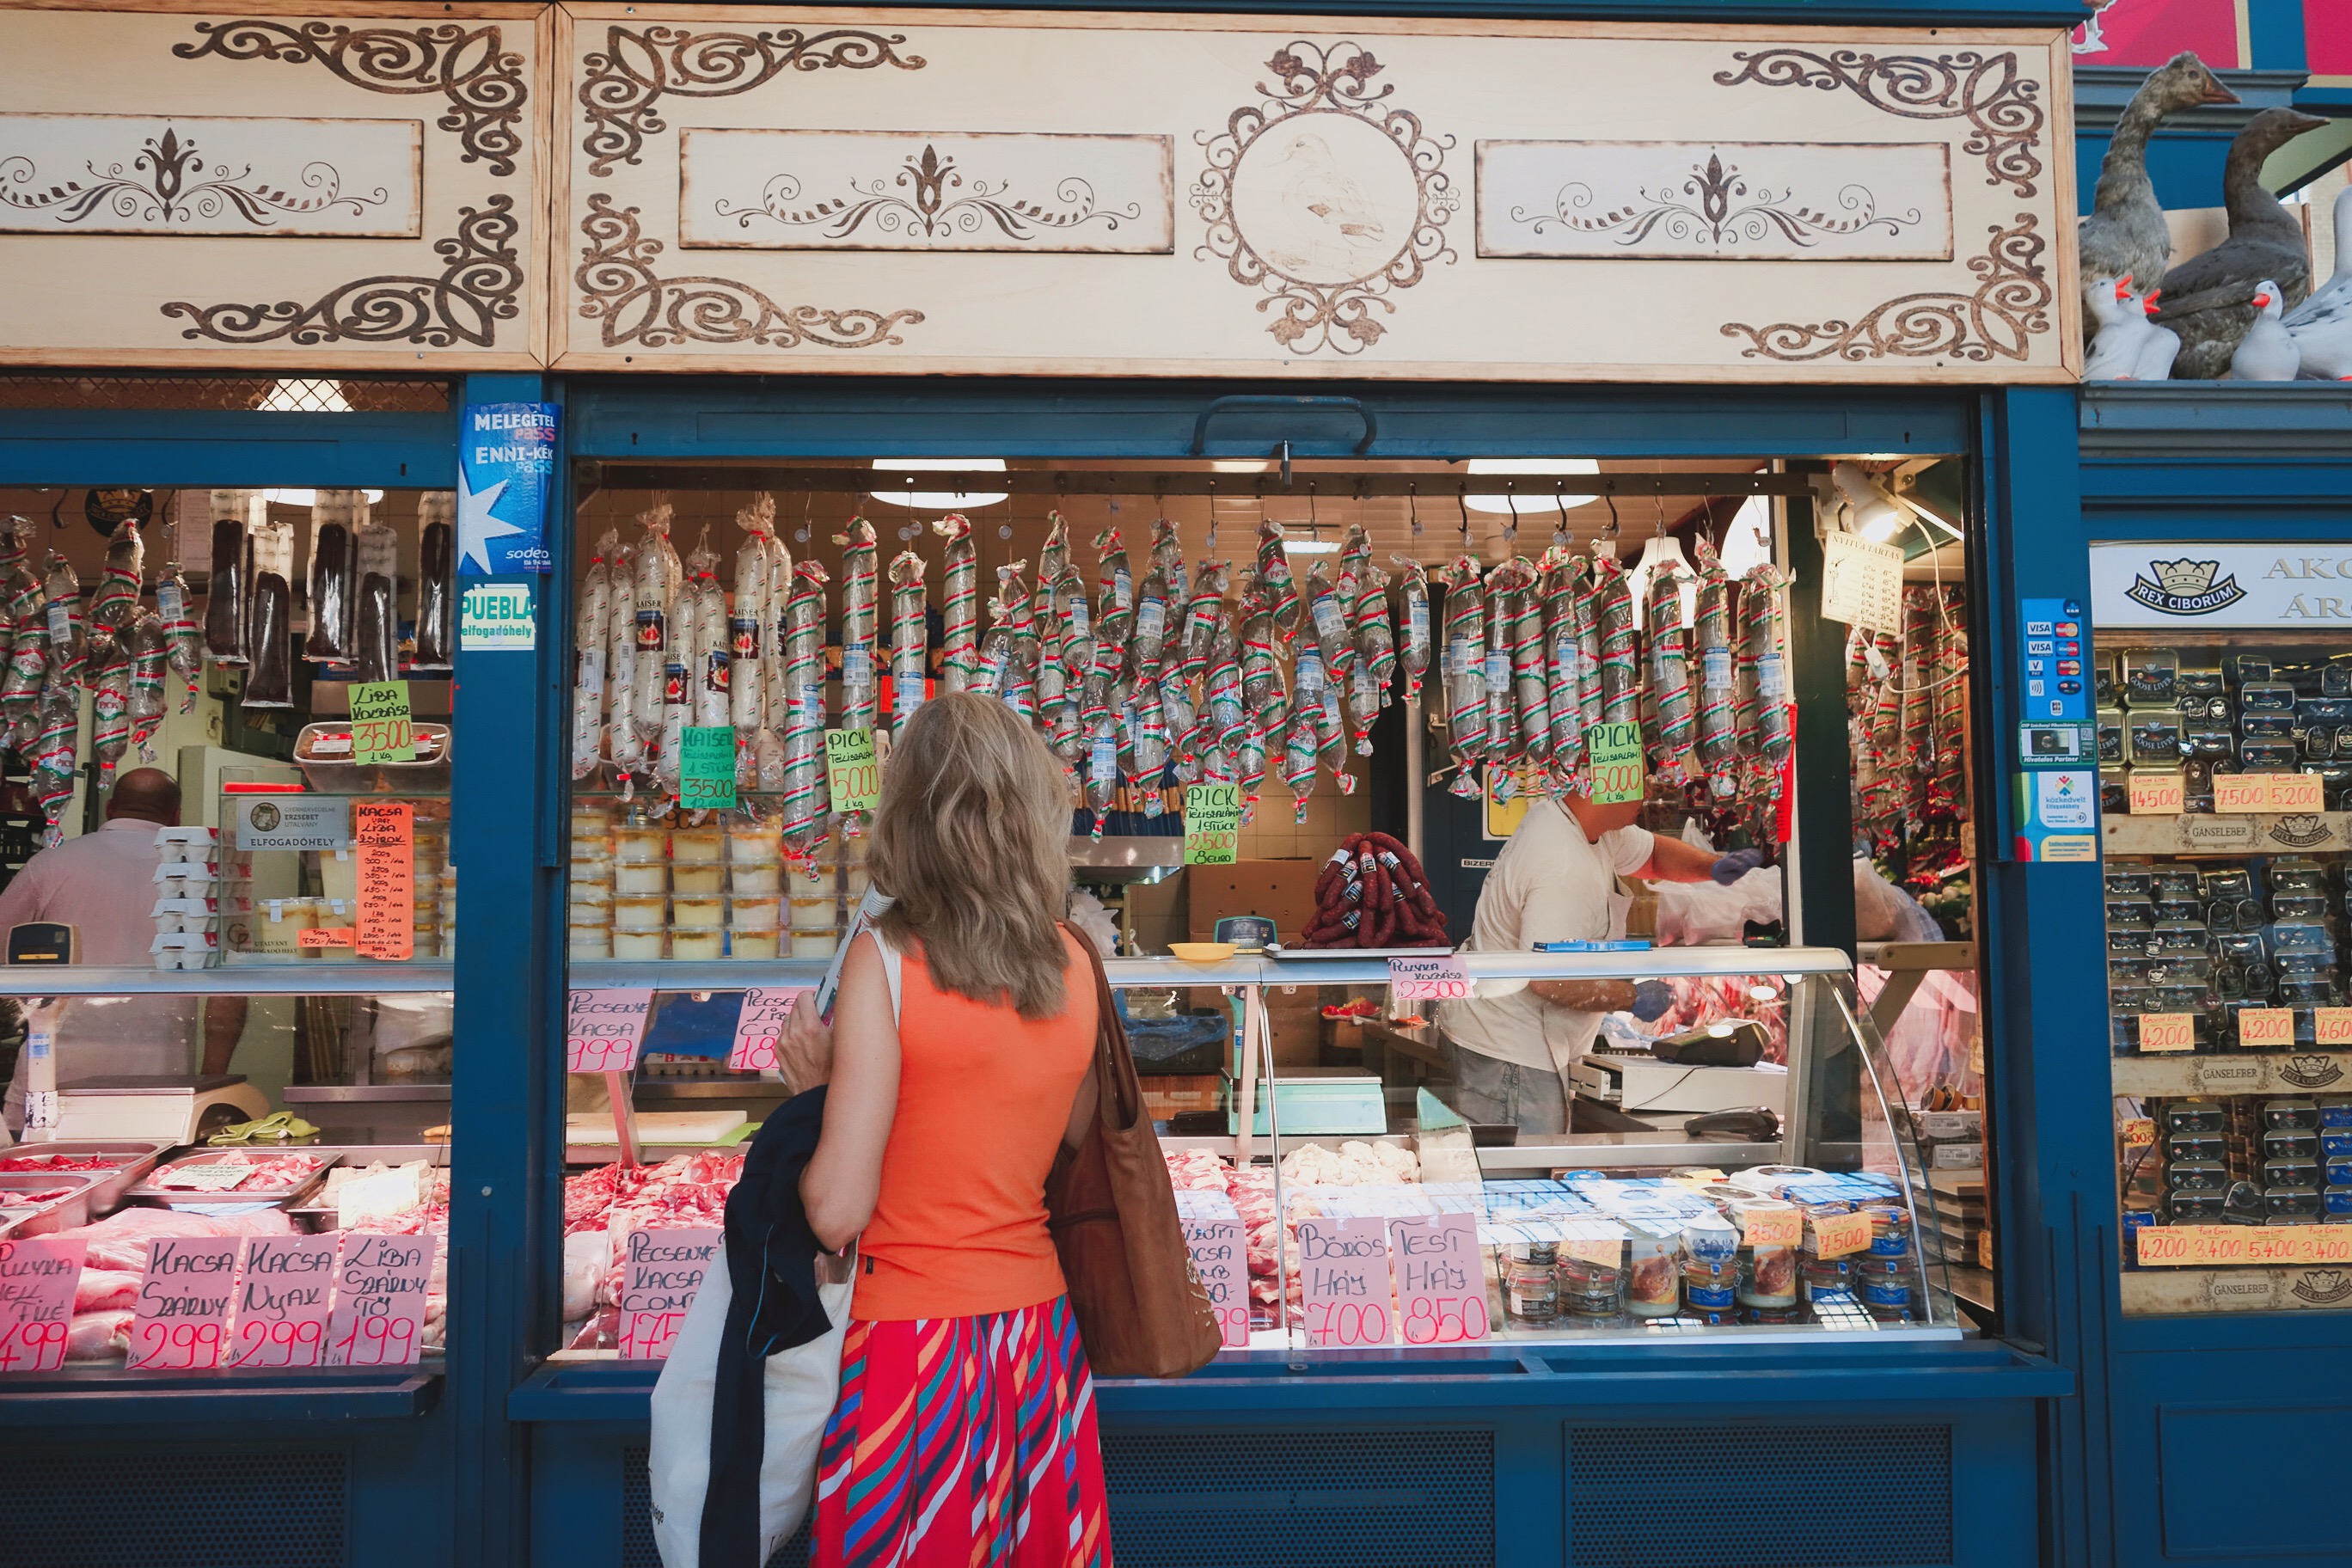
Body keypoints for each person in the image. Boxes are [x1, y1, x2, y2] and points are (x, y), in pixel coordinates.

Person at [775, 693, 1111, 1568]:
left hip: (908, 1354)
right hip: (1038, 1341)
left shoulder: (881, 957)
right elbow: (1070, 1140)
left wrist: (813, 1091)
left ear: (908, 813)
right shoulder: (1077, 960)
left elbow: (837, 1211)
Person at [1434, 787, 1767, 1134]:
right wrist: (1631, 998)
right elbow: (1547, 980)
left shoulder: (1578, 824)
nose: (1647, 793)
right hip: (1513, 1054)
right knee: (1519, 1177)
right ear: (1606, 781)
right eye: (1640, 779)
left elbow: (1653, 856)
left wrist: (1712, 867)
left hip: (1509, 1043)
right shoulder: (1562, 862)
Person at [0, 769, 246, 1130]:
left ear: (110, 808)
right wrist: (211, 1084)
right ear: (176, 816)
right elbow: (228, 997)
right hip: (162, 1084)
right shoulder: (204, 876)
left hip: (52, 1078)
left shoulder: (50, 865)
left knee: (48, 1173)